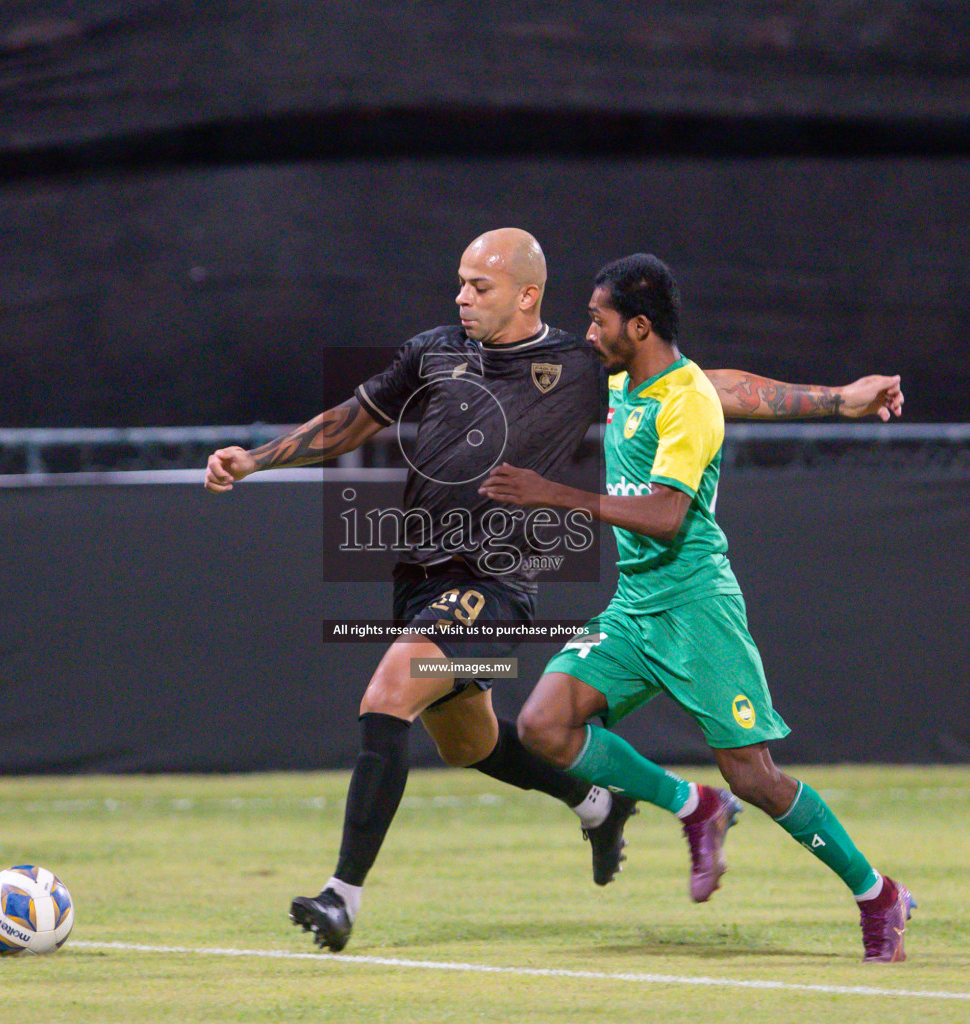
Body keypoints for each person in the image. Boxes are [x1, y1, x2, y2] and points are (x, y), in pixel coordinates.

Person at [206, 229, 904, 953]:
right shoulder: (433, 351)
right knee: (477, 740)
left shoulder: (577, 364)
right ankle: (613, 802)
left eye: (480, 285)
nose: (462, 296)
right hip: (445, 585)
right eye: (461, 281)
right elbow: (354, 419)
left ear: (526, 295)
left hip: (498, 590)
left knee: (391, 689)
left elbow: (709, 386)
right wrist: (256, 460)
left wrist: (839, 401)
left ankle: (341, 896)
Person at [480, 253, 915, 963]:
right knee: (543, 725)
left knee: (755, 775)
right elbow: (734, 386)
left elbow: (665, 516)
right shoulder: (637, 378)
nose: (590, 332)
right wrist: (840, 396)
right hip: (636, 608)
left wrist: (554, 494)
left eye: (600, 319)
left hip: (695, 608)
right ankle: (695, 805)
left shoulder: (683, 405)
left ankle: (878, 894)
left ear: (640, 325)